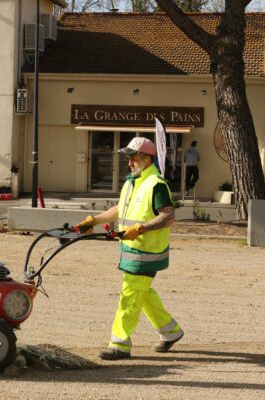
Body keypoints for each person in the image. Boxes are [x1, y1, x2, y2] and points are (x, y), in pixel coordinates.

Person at [74, 137, 184, 360]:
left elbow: (168, 216)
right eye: (129, 159)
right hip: (131, 249)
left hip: (147, 252)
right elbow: (119, 210)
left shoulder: (156, 184)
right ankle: (171, 331)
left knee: (130, 295)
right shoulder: (132, 182)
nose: (129, 163)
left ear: (146, 159)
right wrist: (92, 221)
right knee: (142, 293)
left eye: (133, 159)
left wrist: (141, 228)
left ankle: (119, 344)